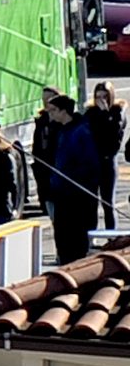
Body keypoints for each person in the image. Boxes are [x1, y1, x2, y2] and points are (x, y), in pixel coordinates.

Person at [50, 94, 105, 264]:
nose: (50, 114)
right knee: (62, 238)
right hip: (62, 194)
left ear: (63, 111)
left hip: (76, 196)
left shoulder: (81, 132)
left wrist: (71, 180)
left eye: (53, 110)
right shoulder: (62, 131)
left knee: (74, 241)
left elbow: (90, 165)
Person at [88, 84, 126, 228]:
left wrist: (105, 114)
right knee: (91, 202)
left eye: (105, 97)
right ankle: (92, 236)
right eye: (98, 97)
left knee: (108, 202)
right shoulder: (91, 113)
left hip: (107, 162)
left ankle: (112, 236)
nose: (101, 100)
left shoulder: (117, 113)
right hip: (92, 162)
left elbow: (114, 139)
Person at [32, 88, 66, 213]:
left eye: (49, 100)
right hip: (42, 165)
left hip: (57, 165)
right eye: (44, 100)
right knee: (47, 202)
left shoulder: (63, 121)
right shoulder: (41, 120)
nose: (46, 103)